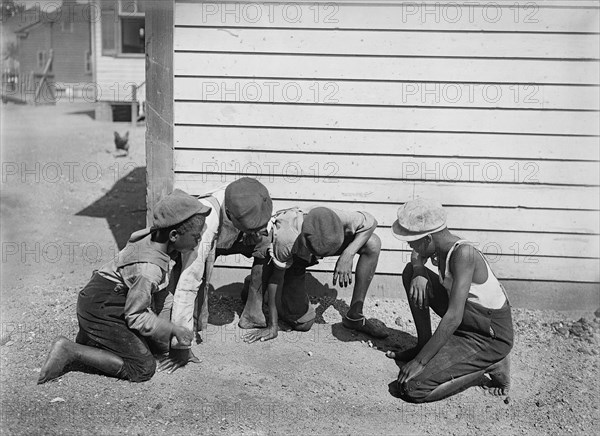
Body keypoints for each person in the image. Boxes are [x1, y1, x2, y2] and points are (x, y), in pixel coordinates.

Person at [37, 189, 211, 384]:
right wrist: (172, 329)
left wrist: (166, 345)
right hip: (101, 307)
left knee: (150, 345)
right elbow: (135, 315)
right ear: (173, 235)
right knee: (142, 368)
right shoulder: (149, 269)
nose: (198, 242)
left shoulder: (156, 239)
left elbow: (161, 296)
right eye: (196, 236)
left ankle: (93, 339)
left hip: (109, 299)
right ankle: (71, 350)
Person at [387, 198, 513, 403]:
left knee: (412, 388)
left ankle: (492, 363)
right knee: (411, 272)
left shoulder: (464, 254)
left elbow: (453, 317)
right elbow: (416, 257)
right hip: (466, 320)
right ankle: (423, 344)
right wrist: (419, 270)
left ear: (427, 238)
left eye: (412, 240)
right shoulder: (440, 247)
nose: (410, 245)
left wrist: (420, 362)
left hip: (488, 335)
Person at [157, 177, 273, 372]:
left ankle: (253, 312)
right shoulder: (205, 222)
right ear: (229, 214)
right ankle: (182, 332)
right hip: (208, 241)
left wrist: (252, 232)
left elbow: (266, 222)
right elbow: (188, 283)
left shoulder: (251, 196)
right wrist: (181, 345)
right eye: (250, 226)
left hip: (232, 237)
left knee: (266, 240)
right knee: (192, 281)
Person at [242, 206, 389, 344]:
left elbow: (371, 221)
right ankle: (260, 287)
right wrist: (272, 325)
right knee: (304, 323)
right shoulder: (286, 238)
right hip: (294, 258)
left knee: (372, 242)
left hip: (317, 245)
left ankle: (355, 315)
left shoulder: (342, 218)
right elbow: (276, 280)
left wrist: (348, 254)